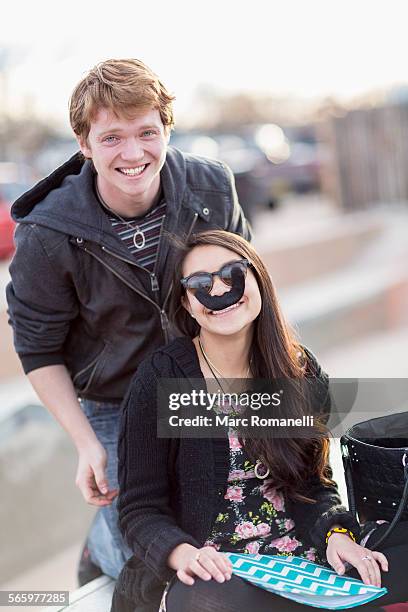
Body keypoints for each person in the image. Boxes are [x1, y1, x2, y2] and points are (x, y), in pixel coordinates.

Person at [6, 59, 251, 582]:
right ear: (84, 143)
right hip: (113, 399)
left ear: (166, 129)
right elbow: (37, 348)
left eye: (146, 132)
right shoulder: (47, 233)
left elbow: (246, 289)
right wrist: (85, 443)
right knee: (146, 559)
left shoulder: (212, 189)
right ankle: (100, 548)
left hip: (202, 379)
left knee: (227, 529)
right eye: (112, 137)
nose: (134, 153)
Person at [111, 230, 408, 612]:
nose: (218, 290)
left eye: (232, 274)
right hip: (216, 570)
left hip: (302, 555)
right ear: (186, 303)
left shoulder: (298, 369)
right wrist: (181, 553)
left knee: (386, 563)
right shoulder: (162, 378)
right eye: (200, 283)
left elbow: (313, 485)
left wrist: (337, 534)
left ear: (258, 280)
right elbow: (139, 509)